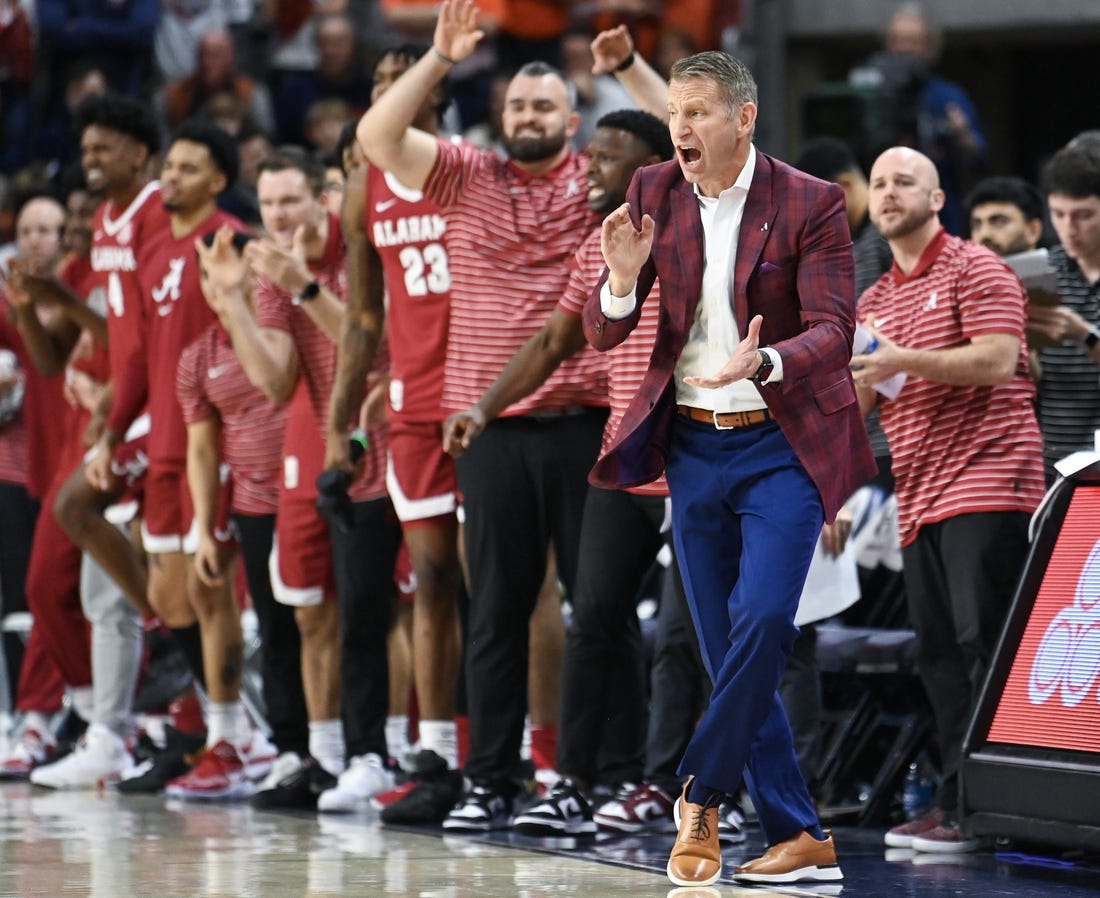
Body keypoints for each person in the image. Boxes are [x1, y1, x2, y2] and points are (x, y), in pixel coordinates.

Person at [582, 50, 873, 886]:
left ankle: (700, 795)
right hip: (692, 447)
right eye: (675, 111)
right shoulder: (651, 192)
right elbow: (606, 333)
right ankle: (802, 835)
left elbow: (836, 331)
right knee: (725, 645)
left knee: (766, 624)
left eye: (699, 110)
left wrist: (768, 361)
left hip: (781, 443)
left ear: (743, 119)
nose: (681, 126)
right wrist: (620, 282)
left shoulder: (811, 202)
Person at [356, 0, 610, 832]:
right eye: (516, 108)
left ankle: (585, 778)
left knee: (594, 609)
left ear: (573, 117)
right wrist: (437, 59)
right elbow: (377, 139)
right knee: (493, 608)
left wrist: (627, 71)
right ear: (498, 120)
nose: (530, 117)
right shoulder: (468, 173)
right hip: (489, 426)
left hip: (583, 416)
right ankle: (489, 779)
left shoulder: (601, 181)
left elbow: (689, 158)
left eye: (544, 106)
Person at [442, 109, 674, 837]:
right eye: (592, 155)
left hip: (690, 457)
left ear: (653, 168)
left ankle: (666, 785)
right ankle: (574, 780)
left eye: (609, 158)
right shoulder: (597, 248)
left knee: (685, 636)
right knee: (593, 618)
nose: (589, 169)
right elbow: (551, 340)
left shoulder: (699, 236)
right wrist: (482, 408)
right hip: (618, 453)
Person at [855, 146, 1046, 852]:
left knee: (983, 644)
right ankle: (959, 801)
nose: (888, 192)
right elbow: (861, 404)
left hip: (991, 479)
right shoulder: (873, 300)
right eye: (877, 183)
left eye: (905, 180)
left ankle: (1002, 803)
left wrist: (903, 359)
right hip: (920, 490)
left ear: (938, 200)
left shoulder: (977, 266)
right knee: (936, 652)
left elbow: (997, 358)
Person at [198, 147, 400, 811]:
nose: (279, 215)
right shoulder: (270, 271)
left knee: (376, 608)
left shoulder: (361, 246)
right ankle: (324, 754)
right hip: (313, 442)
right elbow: (278, 379)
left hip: (385, 436)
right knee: (308, 607)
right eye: (269, 204)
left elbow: (376, 345)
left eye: (291, 200)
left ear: (323, 197)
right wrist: (231, 301)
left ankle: (383, 750)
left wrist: (304, 287)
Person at [325, 43, 465, 825]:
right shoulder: (362, 186)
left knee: (512, 592)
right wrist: (338, 427)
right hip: (410, 407)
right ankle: (436, 751)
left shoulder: (470, 168)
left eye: (397, 83)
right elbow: (363, 315)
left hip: (483, 401)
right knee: (432, 582)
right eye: (375, 84)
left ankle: (536, 758)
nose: (383, 95)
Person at [874, 3, 987, 235]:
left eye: (913, 42)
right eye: (898, 40)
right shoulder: (871, 93)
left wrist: (961, 135)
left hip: (939, 220)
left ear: (929, 47)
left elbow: (979, 156)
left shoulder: (947, 97)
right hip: (881, 221)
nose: (904, 50)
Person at [1028, 141, 1100, 480]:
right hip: (1052, 459)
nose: (1069, 228)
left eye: (1084, 215)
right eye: (1058, 214)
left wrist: (1083, 335)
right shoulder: (1043, 270)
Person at [964, 175, 1045, 258]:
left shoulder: (1057, 269)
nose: (985, 234)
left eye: (1000, 222)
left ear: (1033, 230)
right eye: (977, 225)